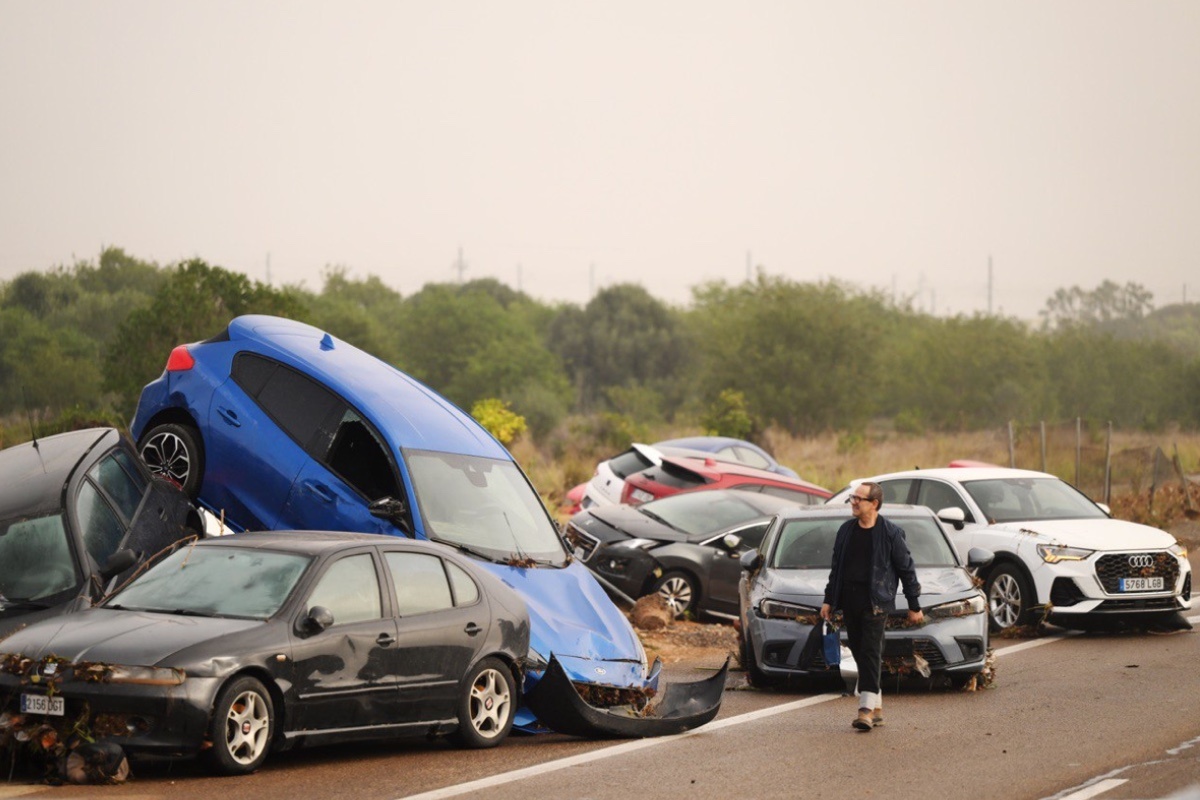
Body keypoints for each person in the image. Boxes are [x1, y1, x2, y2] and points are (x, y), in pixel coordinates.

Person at [820, 481, 923, 732]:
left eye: (858, 499)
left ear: (874, 504)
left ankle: (864, 710)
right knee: (858, 649)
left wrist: (914, 605)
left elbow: (906, 569)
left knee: (870, 651)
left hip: (876, 602)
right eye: (852, 498)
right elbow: (837, 569)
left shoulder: (890, 533)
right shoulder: (845, 531)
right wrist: (829, 599)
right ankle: (876, 707)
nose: (853, 503)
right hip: (850, 600)